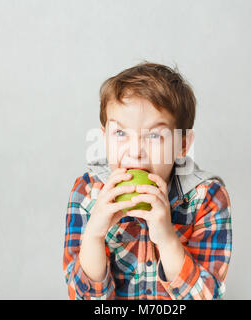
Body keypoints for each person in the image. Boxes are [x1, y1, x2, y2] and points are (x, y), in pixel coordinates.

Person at [63, 61, 232, 300]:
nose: (135, 152)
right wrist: (94, 236)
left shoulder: (206, 198)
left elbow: (204, 297)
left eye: (154, 135)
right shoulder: (88, 192)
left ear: (182, 145)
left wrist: (166, 238)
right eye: (120, 133)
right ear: (105, 137)